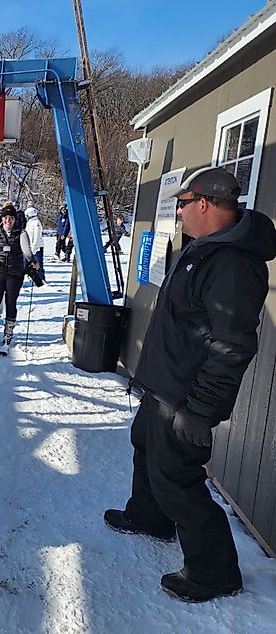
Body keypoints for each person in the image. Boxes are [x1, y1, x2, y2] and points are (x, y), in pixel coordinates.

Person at [105, 167, 276, 603]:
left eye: (183, 204)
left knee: (176, 478)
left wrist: (200, 409)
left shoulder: (233, 265)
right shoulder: (204, 248)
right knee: (144, 445)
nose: (178, 212)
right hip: (162, 384)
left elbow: (232, 346)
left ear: (204, 204)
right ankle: (150, 517)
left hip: (184, 397)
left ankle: (215, 571)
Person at [0, 206, 39, 350]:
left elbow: (26, 250)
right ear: (2, 220)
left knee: (10, 302)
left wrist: (32, 261)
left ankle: (8, 333)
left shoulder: (21, 233)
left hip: (15, 273)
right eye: (6, 218)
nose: (8, 221)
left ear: (14, 220)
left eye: (11, 218)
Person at [24, 206, 45, 281]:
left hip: (37, 246)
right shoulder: (29, 222)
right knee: (28, 262)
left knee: (38, 262)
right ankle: (31, 275)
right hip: (30, 245)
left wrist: (34, 245)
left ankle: (41, 278)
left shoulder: (36, 222)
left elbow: (37, 235)